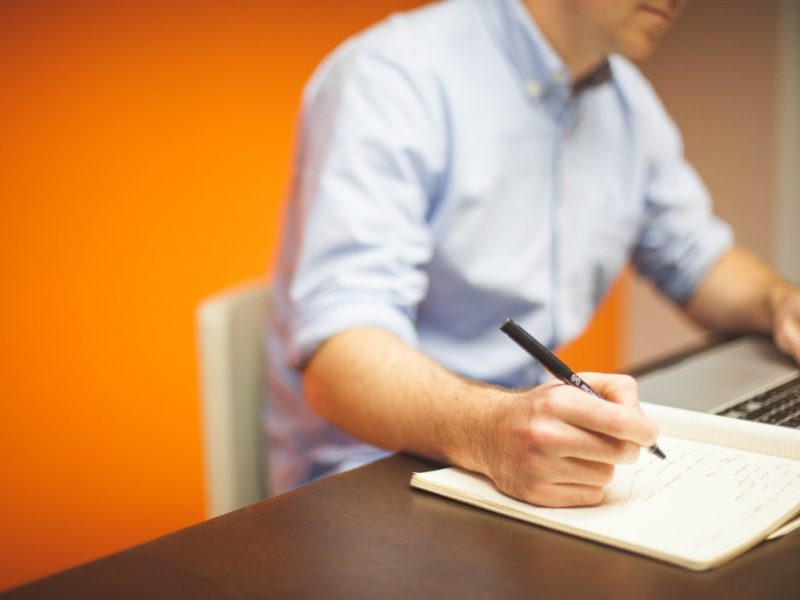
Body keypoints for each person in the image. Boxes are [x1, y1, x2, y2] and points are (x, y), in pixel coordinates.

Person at [265, 0, 800, 505]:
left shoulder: (626, 104)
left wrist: (779, 303)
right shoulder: (391, 77)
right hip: (372, 479)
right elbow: (339, 359)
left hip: (519, 455)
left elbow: (696, 259)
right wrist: (491, 431)